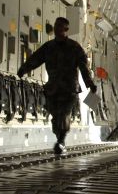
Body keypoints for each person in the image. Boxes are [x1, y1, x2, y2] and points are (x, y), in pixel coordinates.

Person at [17, 17, 96, 155]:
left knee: (64, 114)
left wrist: (90, 84)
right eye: (56, 27)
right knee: (55, 115)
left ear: (66, 30)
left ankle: (61, 140)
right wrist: (23, 69)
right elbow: (36, 59)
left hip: (69, 88)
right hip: (53, 88)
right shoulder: (48, 47)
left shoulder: (75, 47)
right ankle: (59, 137)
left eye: (60, 27)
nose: (57, 30)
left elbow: (84, 67)